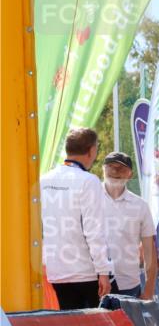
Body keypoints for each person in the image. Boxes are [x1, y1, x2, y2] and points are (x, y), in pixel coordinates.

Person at [40, 127, 112, 309]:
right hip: (85, 272)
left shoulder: (44, 180)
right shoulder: (89, 181)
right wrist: (103, 271)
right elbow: (93, 230)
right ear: (91, 150)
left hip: (56, 270)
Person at [101, 152, 157, 299]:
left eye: (121, 169)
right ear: (103, 169)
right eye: (111, 167)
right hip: (93, 284)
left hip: (128, 285)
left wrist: (149, 292)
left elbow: (149, 252)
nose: (115, 171)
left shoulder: (141, 206)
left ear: (130, 174)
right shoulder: (88, 199)